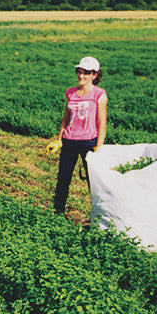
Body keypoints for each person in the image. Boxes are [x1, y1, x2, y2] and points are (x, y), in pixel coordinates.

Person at [52, 55, 107, 215]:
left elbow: (101, 122)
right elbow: (66, 117)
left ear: (94, 75)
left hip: (89, 142)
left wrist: (99, 146)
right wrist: (59, 140)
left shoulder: (99, 94)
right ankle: (58, 211)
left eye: (86, 73)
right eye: (80, 72)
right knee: (63, 178)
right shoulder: (71, 93)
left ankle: (99, 214)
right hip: (69, 141)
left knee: (93, 182)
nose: (81, 76)